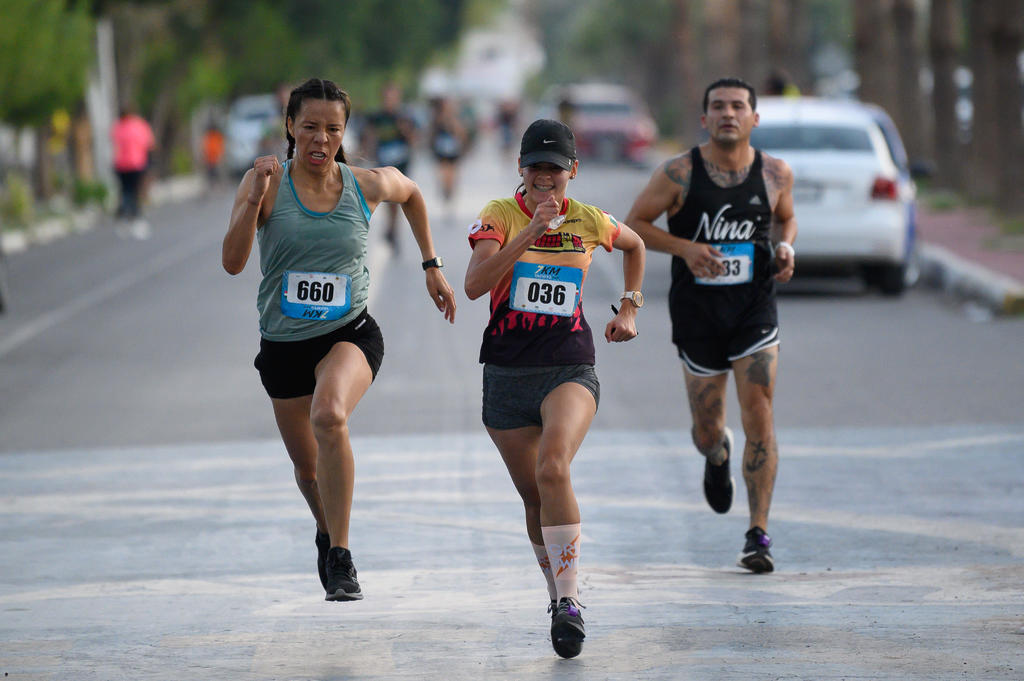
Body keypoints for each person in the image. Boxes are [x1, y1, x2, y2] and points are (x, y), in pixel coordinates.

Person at [222, 78, 457, 602]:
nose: (320, 139)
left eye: (332, 128)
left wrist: (430, 265)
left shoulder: (364, 184)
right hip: (283, 345)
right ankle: (326, 533)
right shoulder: (265, 183)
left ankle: (342, 557)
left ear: (345, 131)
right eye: (309, 127)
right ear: (290, 127)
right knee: (307, 470)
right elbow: (233, 262)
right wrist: (252, 200)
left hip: (348, 333)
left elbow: (413, 193)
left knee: (329, 415)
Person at [464, 119, 645, 658]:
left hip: (569, 366)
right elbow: (474, 285)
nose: (546, 177)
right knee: (534, 497)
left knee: (553, 467)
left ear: (573, 170)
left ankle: (570, 602)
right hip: (506, 374)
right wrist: (530, 231)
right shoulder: (498, 215)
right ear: (521, 169)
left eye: (556, 168)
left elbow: (633, 245)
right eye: (536, 167)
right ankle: (555, 594)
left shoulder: (590, 219)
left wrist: (630, 309)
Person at [625, 77, 796, 574]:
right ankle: (716, 454)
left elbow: (786, 219)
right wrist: (687, 249)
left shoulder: (775, 174)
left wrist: (786, 249)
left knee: (759, 412)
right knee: (706, 427)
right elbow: (634, 224)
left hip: (754, 310)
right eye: (718, 106)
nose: (729, 113)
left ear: (754, 118)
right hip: (697, 315)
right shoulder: (678, 173)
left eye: (738, 106)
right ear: (704, 119)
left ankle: (758, 533)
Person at [360, 83, 417, 250]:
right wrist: (366, 153)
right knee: (388, 197)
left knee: (398, 199)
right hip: (383, 161)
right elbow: (369, 136)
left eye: (393, 98)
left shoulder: (405, 117)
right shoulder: (377, 117)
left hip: (401, 162)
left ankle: (393, 230)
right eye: (387, 98)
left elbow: (414, 140)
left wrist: (404, 130)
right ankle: (392, 229)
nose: (390, 101)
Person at [110, 105, 155, 222]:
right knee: (135, 188)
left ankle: (125, 208)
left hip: (121, 164)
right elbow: (149, 143)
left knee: (125, 188)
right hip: (137, 163)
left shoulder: (118, 127)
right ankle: (135, 210)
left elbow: (113, 142)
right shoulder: (140, 125)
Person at [429, 97, 467, 206]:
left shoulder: (456, 120)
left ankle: (450, 190)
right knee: (444, 171)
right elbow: (432, 134)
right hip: (441, 150)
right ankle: (445, 188)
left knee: (452, 173)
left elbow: (461, 134)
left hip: (453, 151)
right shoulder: (437, 119)